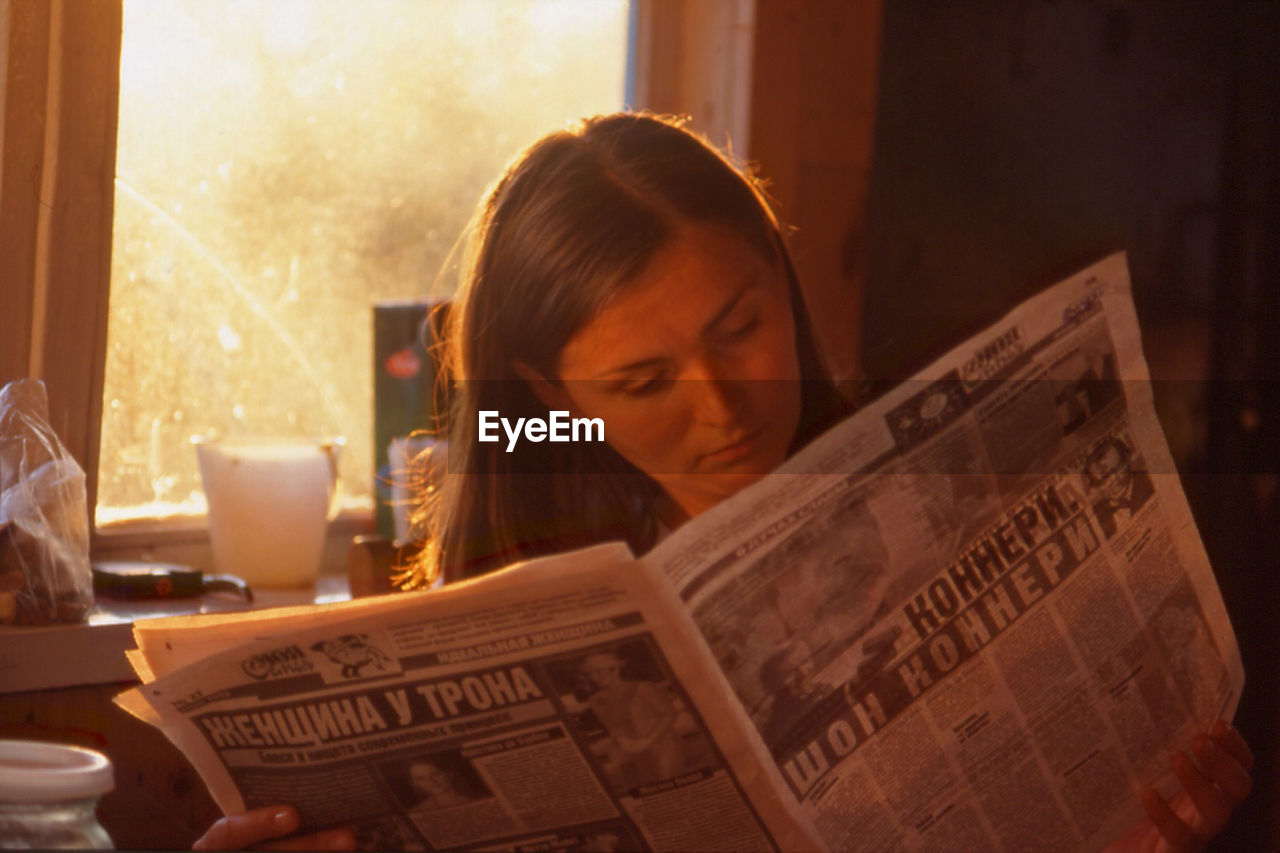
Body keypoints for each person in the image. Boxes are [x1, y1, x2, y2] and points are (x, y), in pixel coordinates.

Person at [194, 113, 1252, 851]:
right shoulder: (512, 594)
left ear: (777, 267)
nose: (719, 405)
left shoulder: (969, 503)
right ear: (548, 393)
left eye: (738, 327)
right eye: (639, 380)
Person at [579, 650, 684, 789]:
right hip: (631, 753)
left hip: (661, 748)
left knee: (668, 785)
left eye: (598, 672)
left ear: (615, 670)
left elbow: (670, 714)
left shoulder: (643, 688)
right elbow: (611, 726)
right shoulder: (596, 701)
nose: (594, 677)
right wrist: (622, 743)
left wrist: (647, 741)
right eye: (590, 674)